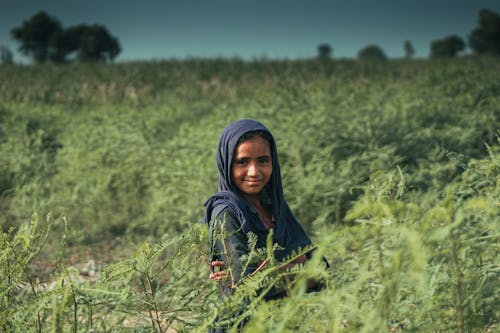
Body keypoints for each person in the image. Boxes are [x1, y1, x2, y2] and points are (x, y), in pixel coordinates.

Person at [202, 119, 325, 331]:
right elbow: (247, 287)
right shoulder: (227, 213)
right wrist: (299, 267)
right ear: (226, 162)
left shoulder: (274, 206)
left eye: (263, 161)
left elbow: (323, 268)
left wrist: (275, 271)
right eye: (242, 162)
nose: (254, 171)